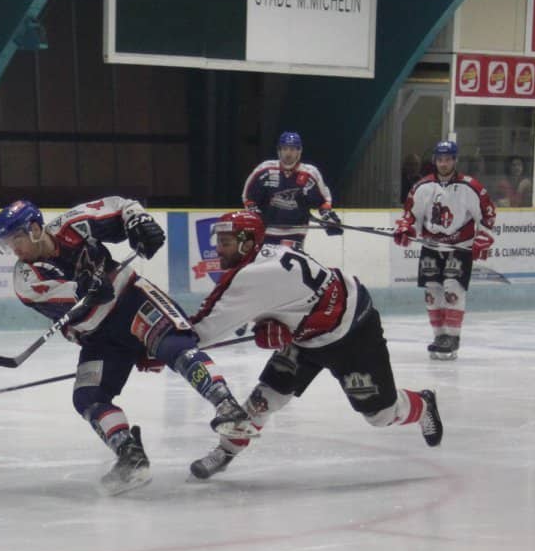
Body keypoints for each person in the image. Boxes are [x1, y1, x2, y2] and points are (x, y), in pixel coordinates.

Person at [0, 197, 257, 494]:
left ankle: (228, 407)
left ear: (34, 228)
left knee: (175, 346)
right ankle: (130, 455)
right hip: (98, 334)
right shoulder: (25, 279)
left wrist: (138, 223)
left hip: (132, 299)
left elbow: (122, 205)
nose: (14, 249)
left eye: (15, 238)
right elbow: (79, 302)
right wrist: (86, 288)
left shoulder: (72, 224)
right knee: (87, 397)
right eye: (7, 242)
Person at [184, 210, 443, 479]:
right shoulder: (267, 256)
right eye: (219, 242)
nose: (217, 250)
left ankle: (423, 404)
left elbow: (203, 332)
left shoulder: (253, 275)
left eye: (225, 243)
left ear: (247, 243)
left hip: (352, 333)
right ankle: (226, 451)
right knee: (265, 398)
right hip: (306, 338)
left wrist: (166, 345)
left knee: (380, 415)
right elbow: (294, 299)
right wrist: (275, 326)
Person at [395, 139, 497, 359]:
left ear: (455, 160)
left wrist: (484, 237)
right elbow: (411, 215)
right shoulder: (422, 187)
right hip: (431, 246)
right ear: (435, 160)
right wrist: (406, 229)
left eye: (448, 159)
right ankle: (439, 336)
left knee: (452, 288)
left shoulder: (471, 187)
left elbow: (487, 215)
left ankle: (452, 336)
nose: (443, 163)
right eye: (440, 159)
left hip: (460, 246)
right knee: (432, 292)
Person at [241, 129, 341, 246]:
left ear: (299, 151)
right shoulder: (264, 169)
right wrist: (253, 212)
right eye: (285, 149)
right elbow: (248, 196)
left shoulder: (310, 173)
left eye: (292, 149)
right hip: (266, 229)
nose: (288, 153)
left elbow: (323, 201)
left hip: (296, 230)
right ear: (279, 150)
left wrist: (326, 216)